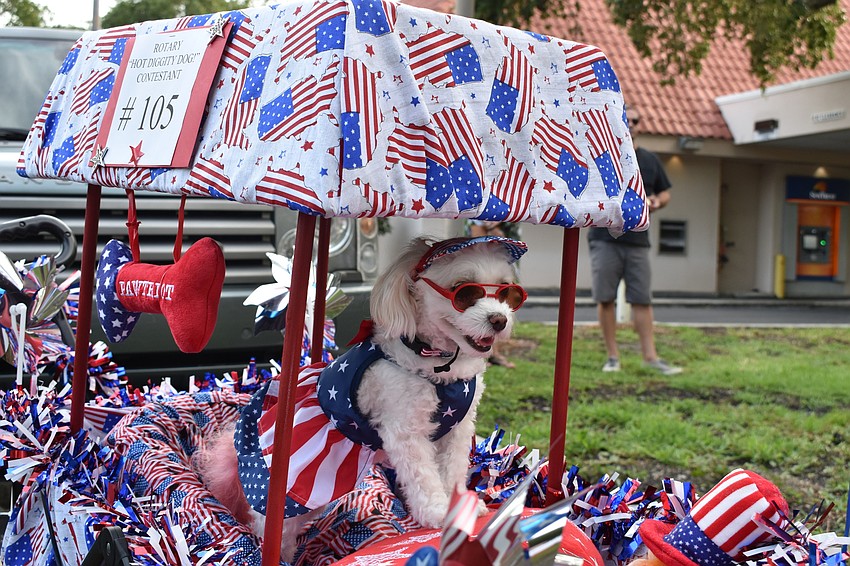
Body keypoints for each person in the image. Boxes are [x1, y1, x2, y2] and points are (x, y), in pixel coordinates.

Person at [586, 109, 682, 376]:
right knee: (605, 298)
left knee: (642, 299)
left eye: (635, 120)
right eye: (626, 118)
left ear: (641, 126)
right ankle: (612, 357)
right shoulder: (605, 155)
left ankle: (650, 358)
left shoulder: (650, 160)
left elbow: (665, 193)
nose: (630, 124)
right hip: (604, 237)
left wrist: (657, 202)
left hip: (638, 240)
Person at [468, 220, 516, 368]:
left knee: (504, 299)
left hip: (506, 233)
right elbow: (476, 234)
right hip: (485, 229)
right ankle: (485, 353)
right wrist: (492, 226)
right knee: (483, 300)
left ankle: (493, 352)